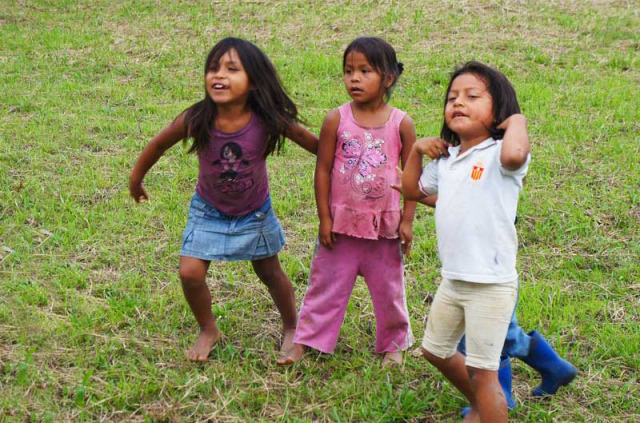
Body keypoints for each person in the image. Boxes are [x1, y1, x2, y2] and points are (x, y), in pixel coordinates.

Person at [129, 37, 318, 362]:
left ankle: (292, 326)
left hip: (254, 212)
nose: (219, 75)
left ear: (254, 81)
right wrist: (136, 178)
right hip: (208, 210)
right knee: (189, 272)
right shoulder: (197, 118)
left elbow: (309, 141)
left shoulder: (267, 118)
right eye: (213, 68)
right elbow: (158, 144)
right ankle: (209, 328)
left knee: (269, 271)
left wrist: (343, 159)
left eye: (232, 69)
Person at [402, 61, 530, 422]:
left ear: (499, 111)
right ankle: (480, 405)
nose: (458, 102)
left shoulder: (499, 154)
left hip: (490, 285)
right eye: (452, 97)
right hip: (453, 279)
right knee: (434, 350)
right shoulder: (448, 159)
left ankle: (487, 406)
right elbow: (411, 190)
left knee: (484, 372)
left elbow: (515, 154)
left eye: (472, 96)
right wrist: (414, 152)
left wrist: (517, 121)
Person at [278, 37, 417, 366]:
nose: (353, 78)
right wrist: (324, 218)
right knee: (324, 287)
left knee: (389, 291)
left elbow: (411, 180)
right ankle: (306, 340)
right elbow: (323, 170)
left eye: (365, 71)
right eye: (348, 70)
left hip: (384, 228)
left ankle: (393, 344)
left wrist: (407, 221)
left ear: (388, 78)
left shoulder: (402, 123)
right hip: (340, 227)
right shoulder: (336, 119)